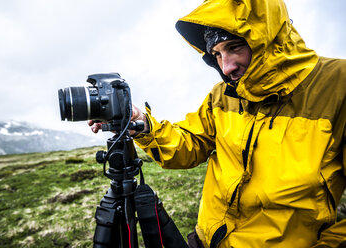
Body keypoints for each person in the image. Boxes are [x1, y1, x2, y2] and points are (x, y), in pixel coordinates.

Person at [89, 0, 346, 247]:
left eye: (234, 47)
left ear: (269, 36)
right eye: (217, 54)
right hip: (206, 241)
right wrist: (143, 124)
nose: (227, 67)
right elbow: (190, 143)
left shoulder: (338, 85)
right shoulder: (222, 94)